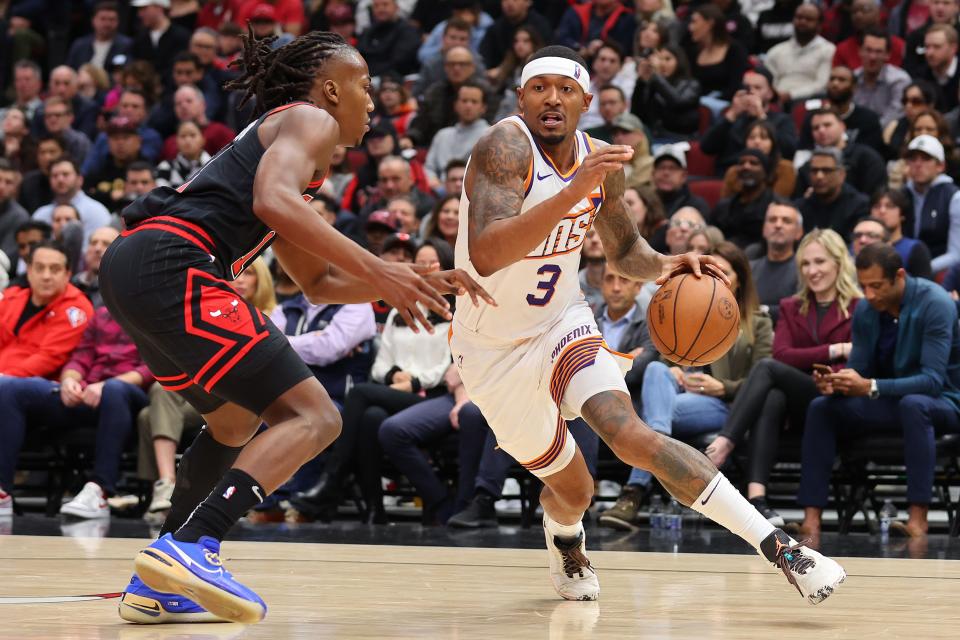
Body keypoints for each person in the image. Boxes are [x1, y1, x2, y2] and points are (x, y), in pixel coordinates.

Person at [106, 31, 491, 625]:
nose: (372, 100)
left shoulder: (289, 149)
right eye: (363, 85)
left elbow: (319, 285)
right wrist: (382, 269)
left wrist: (414, 279)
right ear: (331, 88)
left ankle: (156, 579)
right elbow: (271, 202)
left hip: (137, 266)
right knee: (316, 416)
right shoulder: (311, 119)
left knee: (234, 421)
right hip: (172, 263)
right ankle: (193, 544)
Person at [451, 44, 845, 604]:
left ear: (587, 101)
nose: (553, 99)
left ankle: (780, 547)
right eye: (540, 88)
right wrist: (571, 190)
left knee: (631, 433)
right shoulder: (505, 144)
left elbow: (623, 249)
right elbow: (489, 252)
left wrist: (663, 266)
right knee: (575, 491)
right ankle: (565, 537)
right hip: (490, 347)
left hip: (561, 318)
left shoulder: (598, 161)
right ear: (521, 97)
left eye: (566, 89)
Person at [602, 242, 773, 529]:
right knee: (657, 369)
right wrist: (676, 370)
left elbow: (762, 378)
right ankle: (654, 461)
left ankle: (635, 489)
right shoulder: (682, 304)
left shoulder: (758, 322)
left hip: (722, 405)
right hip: (677, 400)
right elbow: (666, 358)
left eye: (722, 272)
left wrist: (722, 386)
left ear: (739, 278)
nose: (712, 278)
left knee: (651, 417)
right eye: (708, 271)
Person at [797, 243, 960, 540]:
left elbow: (933, 381)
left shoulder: (935, 303)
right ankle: (811, 521)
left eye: (876, 286)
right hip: (889, 402)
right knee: (822, 407)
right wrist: (838, 383)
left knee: (914, 404)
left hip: (944, 401)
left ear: (899, 276)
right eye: (864, 286)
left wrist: (870, 386)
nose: (869, 295)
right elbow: (859, 370)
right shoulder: (867, 311)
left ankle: (917, 520)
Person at [707, 229, 861, 525]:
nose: (812, 271)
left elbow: (860, 359)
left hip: (837, 397)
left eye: (820, 262)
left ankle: (725, 443)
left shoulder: (859, 306)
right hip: (798, 398)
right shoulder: (792, 306)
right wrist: (835, 349)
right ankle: (757, 498)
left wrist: (830, 365)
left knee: (766, 369)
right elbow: (784, 355)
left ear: (839, 263)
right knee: (773, 395)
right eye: (805, 264)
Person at [701, 68, 798, 174]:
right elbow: (706, 147)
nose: (751, 92)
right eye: (746, 88)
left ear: (770, 93)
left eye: (757, 88)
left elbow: (788, 150)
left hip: (764, 176)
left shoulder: (782, 120)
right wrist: (732, 114)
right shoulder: (730, 118)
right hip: (728, 175)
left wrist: (761, 116)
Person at [901, 134, 960, 272]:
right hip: (901, 270)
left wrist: (923, 270)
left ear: (940, 166)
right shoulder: (900, 194)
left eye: (926, 159)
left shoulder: (954, 197)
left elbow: (956, 254)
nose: (918, 164)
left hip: (939, 273)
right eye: (912, 158)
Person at [765, 3, 835, 105]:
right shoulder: (776, 51)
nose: (802, 21)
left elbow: (822, 84)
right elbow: (768, 81)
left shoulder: (828, 50)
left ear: (819, 25)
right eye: (799, 17)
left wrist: (791, 95)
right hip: (777, 100)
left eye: (808, 19)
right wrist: (776, 95)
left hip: (810, 102)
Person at [630, 44, 701, 141]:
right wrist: (641, 81)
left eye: (667, 59)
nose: (662, 64)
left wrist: (656, 76)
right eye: (660, 59)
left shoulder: (692, 84)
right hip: (655, 137)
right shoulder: (655, 83)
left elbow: (677, 102)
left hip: (681, 138)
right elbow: (637, 114)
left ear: (679, 61)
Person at [796, 147, 869, 241]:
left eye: (826, 171)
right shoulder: (800, 208)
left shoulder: (859, 207)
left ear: (842, 174)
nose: (819, 176)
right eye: (814, 170)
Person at [749, 200, 804, 323]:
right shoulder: (749, 269)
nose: (778, 225)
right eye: (772, 220)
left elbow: (802, 310)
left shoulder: (805, 270)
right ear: (764, 229)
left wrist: (761, 310)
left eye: (786, 221)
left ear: (799, 232)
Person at [710, 150, 776, 248]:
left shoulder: (776, 206)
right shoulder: (723, 207)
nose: (746, 167)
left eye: (753, 163)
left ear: (765, 171)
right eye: (741, 163)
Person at [721, 120, 796, 199]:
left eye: (764, 138)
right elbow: (726, 203)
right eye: (752, 138)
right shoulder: (734, 171)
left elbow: (778, 200)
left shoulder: (785, 168)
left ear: (773, 143)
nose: (757, 142)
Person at [870, 188, 934, 279]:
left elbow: (925, 288)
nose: (882, 211)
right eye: (876, 206)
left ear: (902, 215)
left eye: (890, 206)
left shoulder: (915, 249)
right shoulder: (860, 242)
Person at [66, 1, 133, 71]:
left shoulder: (126, 45)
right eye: (103, 19)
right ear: (93, 20)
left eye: (111, 20)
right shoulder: (80, 45)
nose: (107, 24)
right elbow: (70, 71)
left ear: (118, 22)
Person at [652, 145, 708, 217]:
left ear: (683, 176)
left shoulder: (697, 206)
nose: (666, 173)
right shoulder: (643, 203)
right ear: (653, 174)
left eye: (672, 168)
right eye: (661, 167)